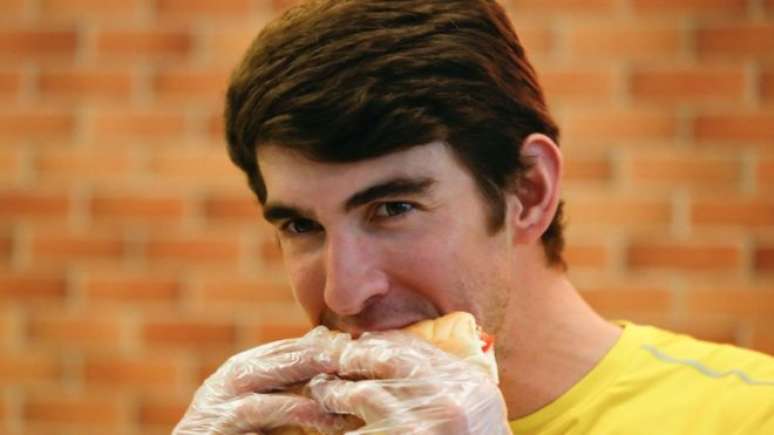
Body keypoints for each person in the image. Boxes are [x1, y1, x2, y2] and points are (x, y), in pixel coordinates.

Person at [174, 0, 774, 433]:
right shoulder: (288, 427)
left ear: (528, 192)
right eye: (302, 226)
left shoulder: (749, 416)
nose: (346, 292)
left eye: (393, 208)